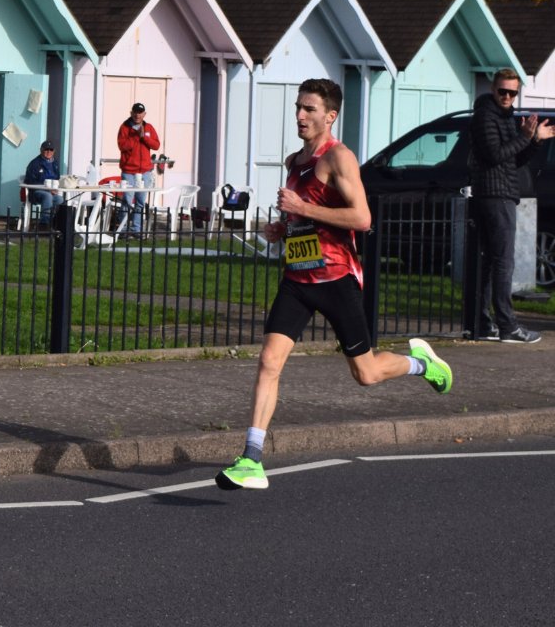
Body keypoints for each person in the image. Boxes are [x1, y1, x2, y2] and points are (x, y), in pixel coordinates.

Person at [216, 78, 452, 491]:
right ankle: (252, 458)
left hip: (336, 279)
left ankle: (423, 365)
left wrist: (302, 206)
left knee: (366, 374)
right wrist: (282, 227)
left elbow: (362, 219)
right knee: (269, 360)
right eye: (298, 108)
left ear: (330, 115)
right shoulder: (294, 161)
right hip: (297, 278)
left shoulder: (339, 158)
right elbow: (304, 218)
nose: (300, 116)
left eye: (309, 109)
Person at [467, 68, 553, 344]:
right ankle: (507, 325)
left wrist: (535, 140)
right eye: (502, 91)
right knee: (502, 262)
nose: (506, 97)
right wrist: (525, 137)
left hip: (503, 192)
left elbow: (513, 161)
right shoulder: (485, 115)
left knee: (493, 262)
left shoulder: (505, 117)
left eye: (512, 93)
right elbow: (494, 155)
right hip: (493, 196)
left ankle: (482, 323)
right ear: (493, 89)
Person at [116, 102, 160, 236]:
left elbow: (156, 145)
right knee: (127, 201)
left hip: (145, 172)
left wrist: (144, 137)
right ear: (131, 113)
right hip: (129, 171)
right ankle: (123, 229)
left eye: (140, 112)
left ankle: (136, 229)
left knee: (140, 202)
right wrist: (136, 137)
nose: (137, 115)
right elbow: (122, 146)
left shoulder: (149, 128)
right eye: (135, 112)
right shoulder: (124, 128)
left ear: (144, 114)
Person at [24, 141, 63, 228]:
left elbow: (57, 177)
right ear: (41, 150)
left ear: (54, 151)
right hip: (36, 191)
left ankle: (55, 222)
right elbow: (30, 180)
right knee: (47, 196)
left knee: (60, 199)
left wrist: (55, 188)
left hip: (51, 191)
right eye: (46, 150)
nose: (49, 152)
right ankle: (43, 224)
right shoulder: (34, 164)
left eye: (51, 150)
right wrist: (47, 189)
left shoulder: (55, 163)